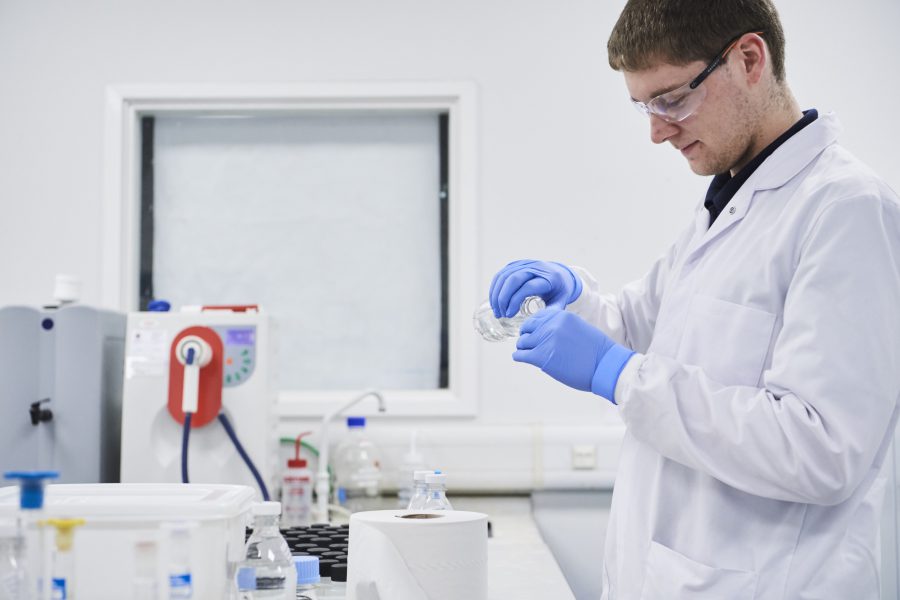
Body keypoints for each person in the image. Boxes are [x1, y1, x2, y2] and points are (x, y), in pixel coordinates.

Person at [487, 1, 900, 598]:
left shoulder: (846, 212)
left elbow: (821, 448)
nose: (656, 129)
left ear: (749, 59)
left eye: (671, 98)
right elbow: (644, 325)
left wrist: (616, 374)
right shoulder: (731, 202)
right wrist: (573, 298)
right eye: (643, 106)